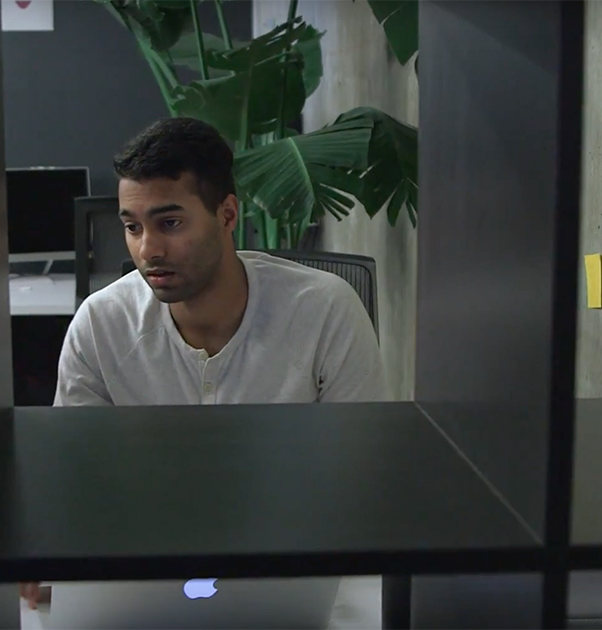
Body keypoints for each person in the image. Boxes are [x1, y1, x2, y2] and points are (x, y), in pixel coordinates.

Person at [20, 117, 392, 609]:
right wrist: (54, 553)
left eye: (170, 223)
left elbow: (361, 480)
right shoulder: (102, 323)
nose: (147, 250)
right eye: (132, 227)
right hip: (139, 590)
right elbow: (73, 485)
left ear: (227, 214)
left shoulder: (323, 311)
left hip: (293, 583)